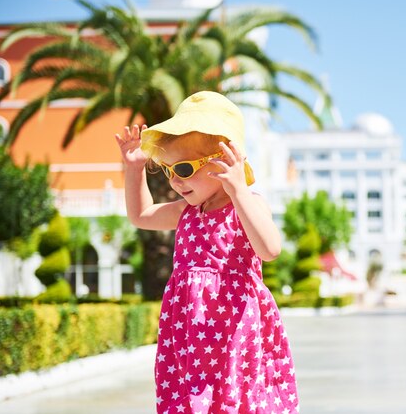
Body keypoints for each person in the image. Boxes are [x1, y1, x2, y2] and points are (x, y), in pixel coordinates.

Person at [114, 91, 299, 414]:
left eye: (183, 169)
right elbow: (141, 216)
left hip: (234, 331)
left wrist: (238, 189)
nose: (175, 181)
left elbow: (270, 250)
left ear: (222, 162)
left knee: (234, 395)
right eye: (168, 170)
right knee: (192, 397)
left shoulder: (247, 205)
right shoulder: (186, 211)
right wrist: (134, 170)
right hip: (190, 332)